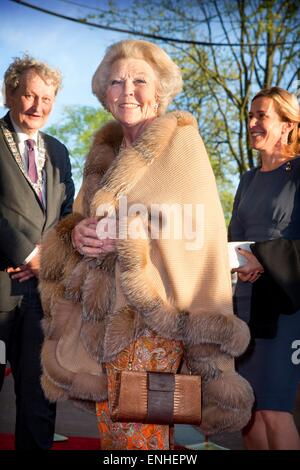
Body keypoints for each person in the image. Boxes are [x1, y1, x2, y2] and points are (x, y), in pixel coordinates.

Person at [39, 39, 253, 451]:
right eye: (116, 82)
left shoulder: (181, 142)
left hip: (153, 320)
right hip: (99, 321)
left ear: (160, 90)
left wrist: (123, 236)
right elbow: (85, 220)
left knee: (139, 437)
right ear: (105, 93)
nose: (127, 90)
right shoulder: (104, 152)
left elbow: (196, 229)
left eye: (140, 80)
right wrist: (78, 234)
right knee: (117, 433)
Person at [0, 55, 74, 450]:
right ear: (9, 93)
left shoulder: (59, 152)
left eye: (46, 99)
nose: (37, 106)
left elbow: (68, 215)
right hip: (0, 289)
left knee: (39, 399)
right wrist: (26, 253)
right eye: (29, 95)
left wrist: (49, 256)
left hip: (44, 298)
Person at [229, 86, 300, 450]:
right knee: (248, 412)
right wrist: (239, 261)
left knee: (275, 410)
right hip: (244, 305)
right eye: (251, 115)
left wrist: (264, 257)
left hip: (286, 307)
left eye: (263, 116)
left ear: (288, 124)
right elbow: (234, 239)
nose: (253, 123)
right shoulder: (246, 180)